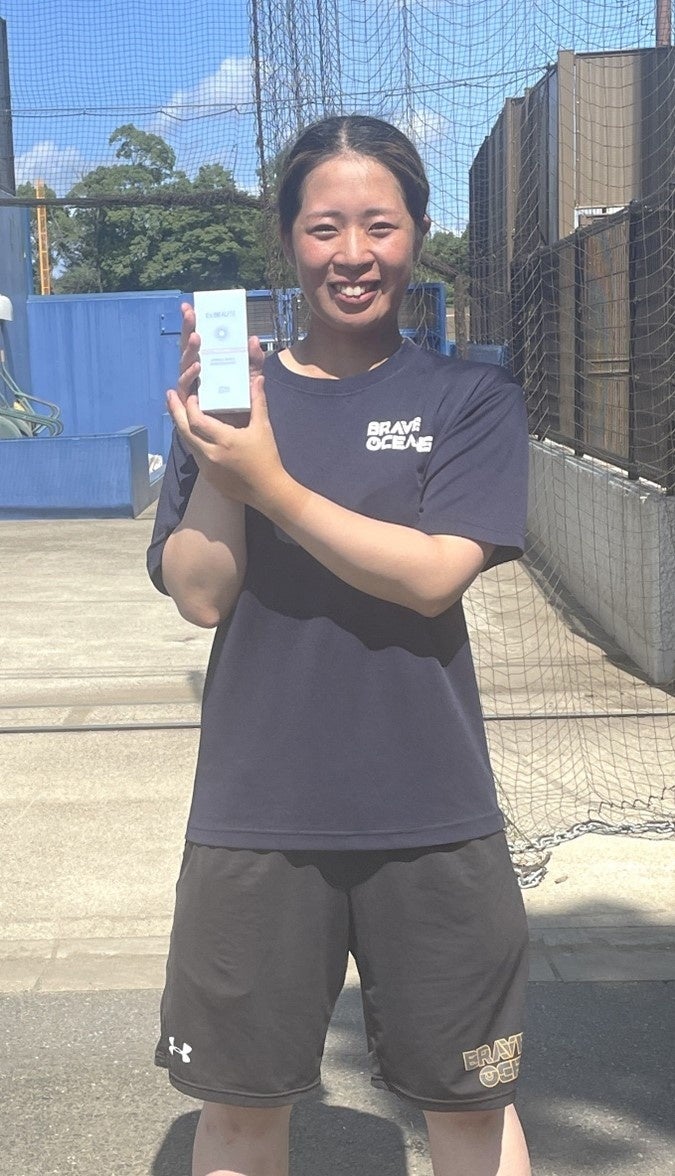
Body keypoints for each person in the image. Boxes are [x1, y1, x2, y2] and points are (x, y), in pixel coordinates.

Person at [147, 114, 532, 1176]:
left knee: (471, 1111)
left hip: (433, 811)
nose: (352, 254)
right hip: (256, 814)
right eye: (324, 227)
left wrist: (271, 484)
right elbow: (200, 597)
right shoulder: (233, 410)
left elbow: (432, 576)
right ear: (288, 239)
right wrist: (223, 452)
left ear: (416, 234)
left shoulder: (470, 398)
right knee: (237, 1115)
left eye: (379, 224)